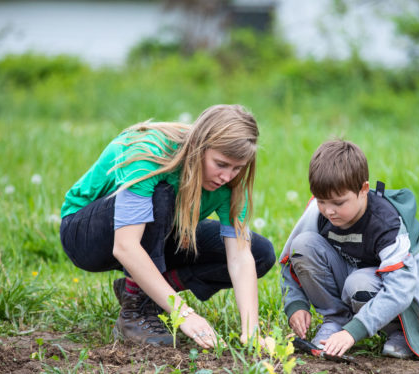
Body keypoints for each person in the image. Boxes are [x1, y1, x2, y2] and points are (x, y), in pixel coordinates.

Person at [60, 104, 275, 348]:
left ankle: (148, 292)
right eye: (221, 164)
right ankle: (136, 313)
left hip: (161, 231)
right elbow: (125, 246)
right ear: (198, 147)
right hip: (86, 235)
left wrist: (251, 331)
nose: (227, 177)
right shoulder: (151, 154)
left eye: (237, 168)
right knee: (161, 195)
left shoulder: (231, 184)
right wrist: (184, 313)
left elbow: (239, 257)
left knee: (260, 253)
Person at [279, 139, 419, 360]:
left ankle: (398, 331)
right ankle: (336, 321)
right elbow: (289, 261)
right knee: (302, 245)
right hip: (347, 280)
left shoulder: (386, 223)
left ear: (363, 189)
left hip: (381, 288)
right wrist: (295, 304)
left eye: (339, 203)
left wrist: (355, 332)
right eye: (322, 201)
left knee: (358, 283)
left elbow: (401, 288)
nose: (329, 211)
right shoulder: (318, 212)